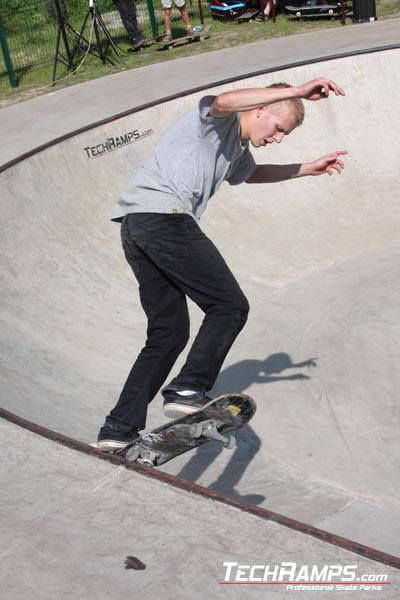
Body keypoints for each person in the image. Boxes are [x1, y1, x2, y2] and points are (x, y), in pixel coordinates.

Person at [97, 77, 347, 452]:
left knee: (169, 333)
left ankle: (118, 427)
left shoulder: (237, 150)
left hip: (137, 225)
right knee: (229, 305)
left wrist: (306, 168)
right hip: (165, 218)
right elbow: (226, 99)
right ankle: (187, 387)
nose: (278, 138)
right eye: (278, 129)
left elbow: (251, 174)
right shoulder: (216, 120)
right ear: (261, 109)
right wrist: (296, 91)